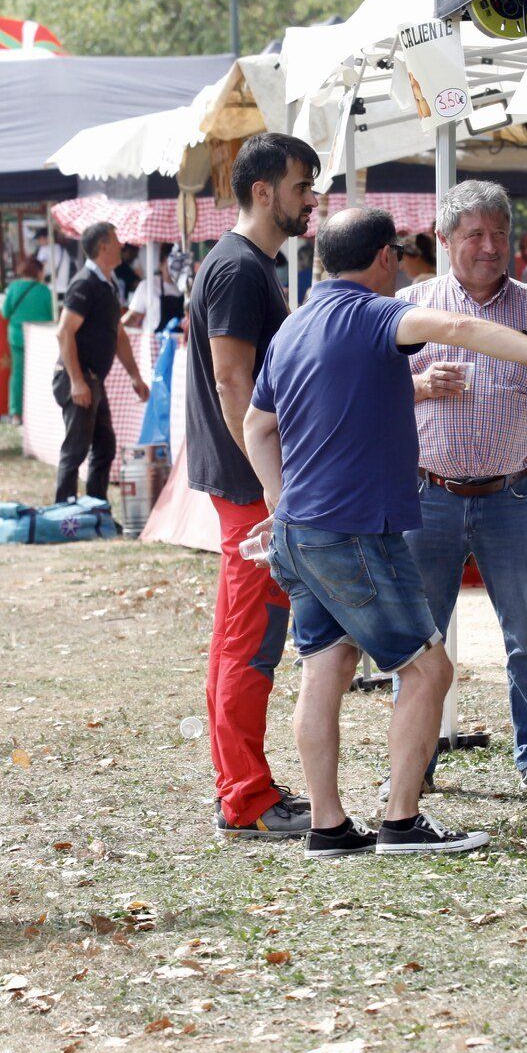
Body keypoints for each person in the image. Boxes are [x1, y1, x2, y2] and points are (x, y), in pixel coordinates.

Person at [243, 207, 527, 859]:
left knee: (326, 668)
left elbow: (257, 427)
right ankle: (401, 819)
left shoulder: (293, 327)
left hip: (302, 532)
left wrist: (283, 507)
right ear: (386, 258)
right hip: (357, 529)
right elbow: (456, 324)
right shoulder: (372, 315)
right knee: (428, 668)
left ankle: (330, 827)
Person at [398, 181, 527, 797]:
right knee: (421, 639)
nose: (490, 246)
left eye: (498, 233)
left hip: (511, 497)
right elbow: (377, 391)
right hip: (428, 496)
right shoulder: (413, 306)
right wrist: (420, 385)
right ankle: (413, 764)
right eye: (474, 234)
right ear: (445, 242)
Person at [183, 133, 320, 841]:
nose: (311, 201)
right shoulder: (238, 269)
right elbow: (233, 377)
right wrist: (273, 484)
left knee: (237, 637)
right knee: (251, 639)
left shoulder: (245, 264)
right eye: (302, 187)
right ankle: (245, 798)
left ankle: (239, 785)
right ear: (263, 191)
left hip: (243, 480)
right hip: (248, 485)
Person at [52, 222, 149, 503]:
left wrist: (134, 375)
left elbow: (118, 334)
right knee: (77, 448)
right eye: (116, 239)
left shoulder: (107, 283)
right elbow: (64, 331)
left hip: (92, 379)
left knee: (104, 446)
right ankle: (64, 512)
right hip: (80, 378)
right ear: (104, 246)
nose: (122, 245)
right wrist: (77, 381)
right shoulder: (85, 282)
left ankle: (96, 510)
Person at [1, 255, 54, 421]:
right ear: (38, 272)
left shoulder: (13, 288)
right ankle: (40, 412)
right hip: (40, 338)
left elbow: (5, 313)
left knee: (17, 374)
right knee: (41, 375)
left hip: (17, 337)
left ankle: (16, 413)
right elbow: (53, 316)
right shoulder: (45, 291)